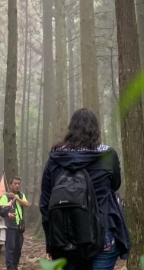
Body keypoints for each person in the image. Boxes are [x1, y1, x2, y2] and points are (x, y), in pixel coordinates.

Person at [40, 108, 130, 270]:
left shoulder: (55, 159)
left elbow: (45, 204)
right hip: (103, 232)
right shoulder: (108, 155)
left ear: (71, 129)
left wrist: (51, 242)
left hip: (64, 237)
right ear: (96, 130)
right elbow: (115, 185)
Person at [1, 176, 29, 270]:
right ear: (10, 185)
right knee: (10, 247)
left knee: (18, 247)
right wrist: (8, 212)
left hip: (20, 225)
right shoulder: (5, 196)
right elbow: (1, 208)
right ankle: (10, 266)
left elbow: (26, 204)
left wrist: (16, 198)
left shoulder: (21, 195)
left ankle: (15, 265)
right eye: (15, 183)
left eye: (18, 184)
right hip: (10, 225)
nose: (17, 185)